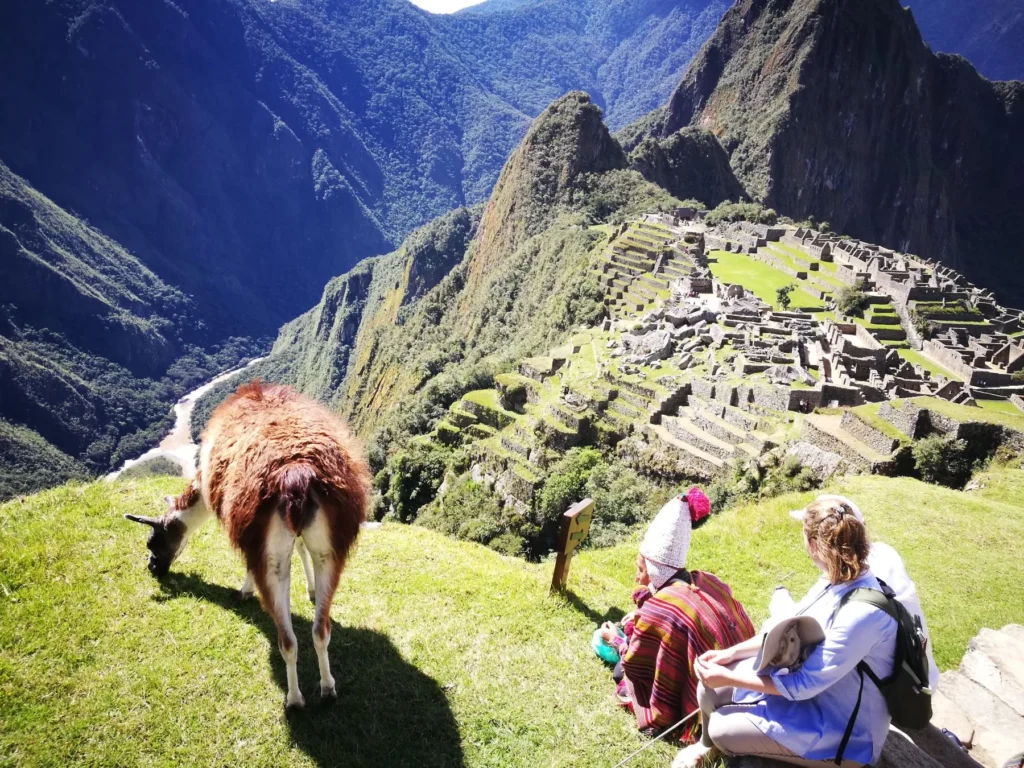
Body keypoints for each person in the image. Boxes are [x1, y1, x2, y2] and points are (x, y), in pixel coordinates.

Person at [675, 497, 898, 768]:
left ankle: (726, 743)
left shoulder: (863, 614)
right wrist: (728, 655)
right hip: (817, 698)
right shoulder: (835, 579)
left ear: (814, 545)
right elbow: (786, 628)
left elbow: (803, 685)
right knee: (710, 689)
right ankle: (707, 747)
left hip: (843, 734)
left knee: (723, 728)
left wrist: (731, 675)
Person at [599, 488, 755, 743]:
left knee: (621, 673)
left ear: (651, 571)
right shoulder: (706, 580)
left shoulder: (660, 608)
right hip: (747, 675)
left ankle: (683, 713)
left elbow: (633, 661)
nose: (637, 577)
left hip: (715, 694)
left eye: (640, 569)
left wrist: (614, 639)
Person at [778, 494, 938, 690]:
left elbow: (810, 638)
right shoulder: (883, 554)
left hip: (893, 693)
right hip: (921, 675)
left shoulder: (857, 589)